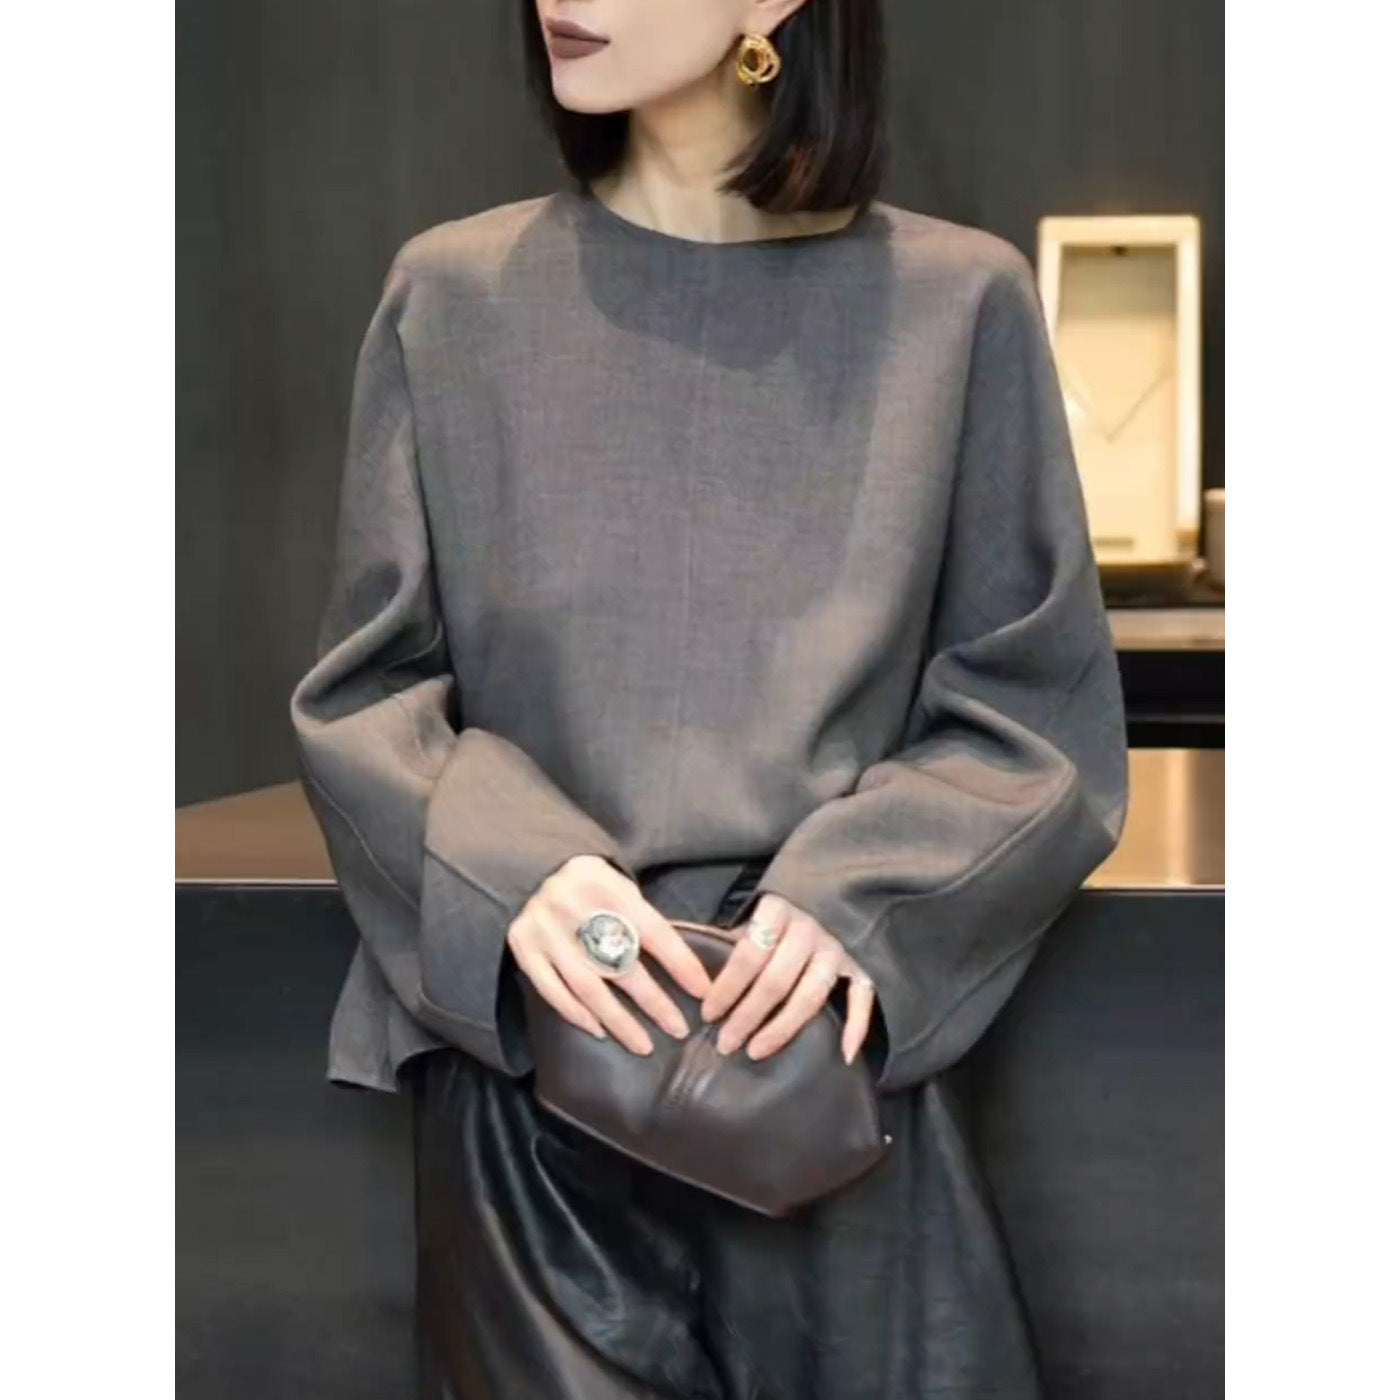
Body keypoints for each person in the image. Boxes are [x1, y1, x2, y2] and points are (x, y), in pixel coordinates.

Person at [288, 2, 1129, 1396]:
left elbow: (1035, 713)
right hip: (537, 1091)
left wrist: (857, 899)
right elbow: (369, 688)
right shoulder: (455, 295)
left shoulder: (956, 305)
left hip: (823, 1066)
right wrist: (517, 872)